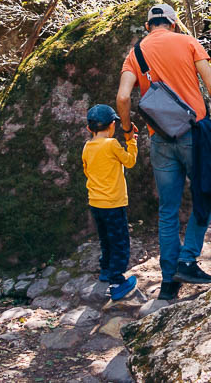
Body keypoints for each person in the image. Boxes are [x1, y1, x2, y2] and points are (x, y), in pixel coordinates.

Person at [116, 3, 211, 302]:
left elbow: (123, 96)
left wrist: (126, 129)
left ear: (148, 26)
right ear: (174, 23)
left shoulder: (135, 54)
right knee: (205, 194)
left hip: (160, 139)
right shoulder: (188, 42)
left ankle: (168, 282)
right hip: (194, 135)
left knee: (168, 211)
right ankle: (187, 260)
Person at [82, 104, 139, 302]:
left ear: (90, 129)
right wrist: (131, 142)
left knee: (105, 239)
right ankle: (117, 283)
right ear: (112, 125)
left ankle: (105, 270)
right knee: (120, 242)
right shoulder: (112, 144)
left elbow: (87, 171)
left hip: (96, 203)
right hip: (113, 203)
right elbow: (129, 161)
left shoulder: (87, 147)